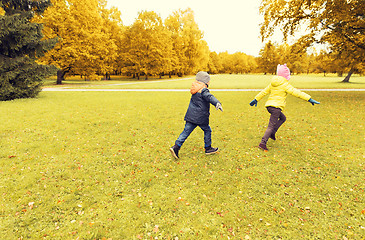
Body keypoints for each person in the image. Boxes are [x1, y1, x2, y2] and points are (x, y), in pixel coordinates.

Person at [249, 64, 320, 151]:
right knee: (270, 126)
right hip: (276, 108)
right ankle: (263, 143)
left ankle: (273, 133)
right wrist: (309, 99)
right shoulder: (285, 85)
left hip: (269, 106)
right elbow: (296, 92)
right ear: (286, 75)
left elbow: (264, 92)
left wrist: (256, 99)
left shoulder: (273, 83)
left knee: (283, 118)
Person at [170, 71, 223, 159]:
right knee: (207, 130)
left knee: (186, 132)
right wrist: (217, 103)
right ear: (206, 81)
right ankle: (208, 148)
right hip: (200, 117)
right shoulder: (203, 89)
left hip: (191, 116)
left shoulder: (195, 88)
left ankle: (176, 147)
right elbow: (209, 97)